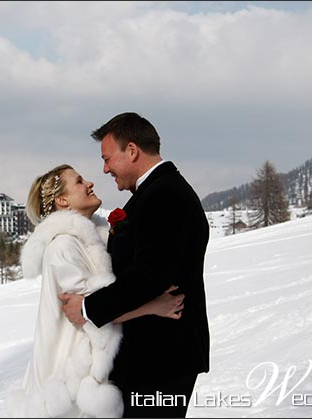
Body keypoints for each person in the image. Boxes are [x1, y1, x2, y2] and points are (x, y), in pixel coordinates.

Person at [59, 112, 210, 418]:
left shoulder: (164, 194)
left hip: (161, 358)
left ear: (131, 151)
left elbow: (150, 275)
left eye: (107, 158)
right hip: (152, 356)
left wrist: (89, 308)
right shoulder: (155, 192)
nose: (104, 169)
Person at [10, 164, 185, 418]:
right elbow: (90, 313)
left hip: (88, 379)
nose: (90, 183)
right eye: (79, 181)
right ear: (62, 200)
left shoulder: (93, 242)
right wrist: (155, 305)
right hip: (66, 386)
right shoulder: (62, 247)